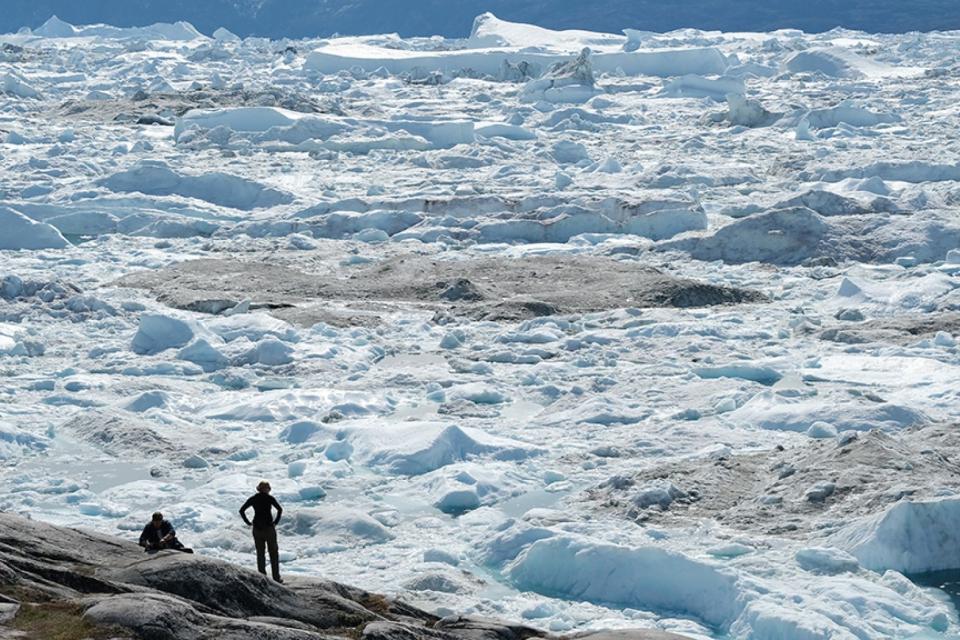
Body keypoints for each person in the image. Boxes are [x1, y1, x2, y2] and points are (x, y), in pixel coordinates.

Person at [239, 481, 284, 583]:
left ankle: (262, 577)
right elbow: (280, 510)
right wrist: (275, 522)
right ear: (267, 489)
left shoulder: (253, 498)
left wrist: (248, 522)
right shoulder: (269, 498)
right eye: (268, 488)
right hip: (269, 528)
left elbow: (241, 510)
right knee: (273, 553)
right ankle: (276, 578)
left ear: (259, 489)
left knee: (260, 553)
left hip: (257, 528)